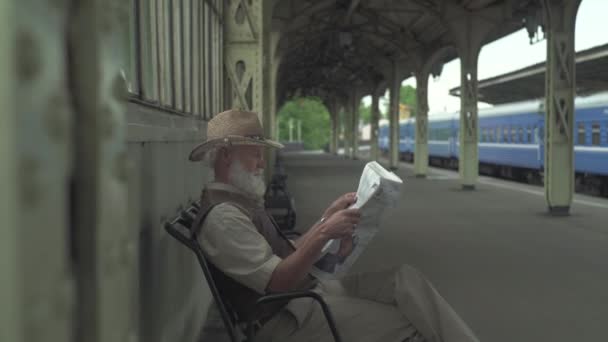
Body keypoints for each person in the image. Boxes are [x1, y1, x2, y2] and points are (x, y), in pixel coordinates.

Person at [189, 109, 479, 342]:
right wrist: (325, 232)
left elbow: (286, 252)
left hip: (303, 297)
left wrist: (326, 219)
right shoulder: (224, 216)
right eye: (255, 154)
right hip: (284, 318)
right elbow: (278, 281)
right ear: (226, 155)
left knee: (403, 281)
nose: (262, 164)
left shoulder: (237, 201)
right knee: (407, 323)